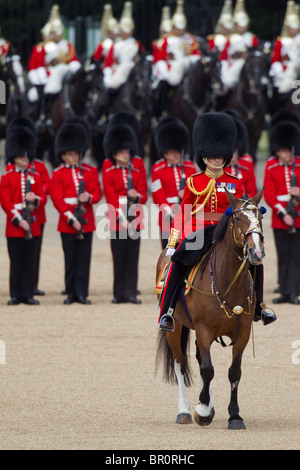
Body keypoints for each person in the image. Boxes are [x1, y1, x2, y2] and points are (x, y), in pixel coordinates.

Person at [158, 112, 277, 331]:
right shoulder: (194, 181)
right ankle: (167, 312)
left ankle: (259, 306)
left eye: (220, 156)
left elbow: (240, 208)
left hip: (225, 231)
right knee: (178, 262)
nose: (217, 159)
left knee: (256, 259)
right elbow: (183, 213)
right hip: (198, 231)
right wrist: (173, 242)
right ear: (203, 155)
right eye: (213, 156)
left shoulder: (234, 182)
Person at [50, 118, 102, 305]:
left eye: (76, 154)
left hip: (86, 220)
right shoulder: (58, 173)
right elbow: (57, 199)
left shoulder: (90, 171)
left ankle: (82, 293)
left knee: (83, 259)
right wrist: (71, 219)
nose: (74, 157)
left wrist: (88, 197)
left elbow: (97, 192)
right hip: (67, 222)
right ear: (63, 156)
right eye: (70, 154)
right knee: (70, 259)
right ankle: (71, 292)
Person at [0, 117, 47, 305]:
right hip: (15, 225)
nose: (23, 159)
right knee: (16, 260)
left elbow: (42, 196)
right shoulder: (7, 178)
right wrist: (19, 220)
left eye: (25, 156)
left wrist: (35, 200)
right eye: (20, 156)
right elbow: (6, 202)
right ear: (14, 157)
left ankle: (28, 294)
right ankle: (15, 294)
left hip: (33, 223)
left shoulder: (35, 176)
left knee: (29, 261)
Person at [102, 121, 148, 304]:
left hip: (134, 215)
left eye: (127, 152)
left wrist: (137, 196)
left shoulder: (137, 165)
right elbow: (110, 196)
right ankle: (119, 291)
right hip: (117, 217)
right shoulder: (109, 168)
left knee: (132, 255)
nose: (125, 155)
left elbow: (144, 191)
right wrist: (122, 220)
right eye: (121, 153)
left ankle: (130, 291)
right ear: (114, 154)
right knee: (119, 254)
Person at [263, 119, 300, 305]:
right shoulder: (271, 166)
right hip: (280, 219)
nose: (284, 153)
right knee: (283, 254)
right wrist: (282, 213)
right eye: (281, 150)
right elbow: (269, 194)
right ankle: (285, 290)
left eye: (287, 150)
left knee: (296, 254)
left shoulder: (299, 164)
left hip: (298, 218)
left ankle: (294, 291)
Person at [28, 5, 81, 127]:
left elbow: (73, 61)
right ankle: (43, 115)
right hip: (48, 75)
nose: (59, 34)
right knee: (44, 92)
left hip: (65, 74)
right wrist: (42, 77)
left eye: (60, 31)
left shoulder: (67, 45)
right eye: (57, 32)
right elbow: (37, 65)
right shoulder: (43, 47)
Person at [151, 116, 197, 249]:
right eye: (172, 153)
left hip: (187, 217)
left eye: (177, 152)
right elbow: (158, 196)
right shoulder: (158, 169)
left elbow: (197, 190)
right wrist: (170, 214)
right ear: (164, 153)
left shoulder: (190, 167)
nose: (175, 156)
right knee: (168, 254)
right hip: (167, 219)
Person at [103, 1, 144, 91]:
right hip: (118, 70)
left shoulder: (136, 44)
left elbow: (142, 58)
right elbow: (108, 62)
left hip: (134, 71)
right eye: (124, 30)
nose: (126, 32)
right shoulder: (115, 45)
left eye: (128, 30)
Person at [220, 0, 259, 90]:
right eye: (240, 25)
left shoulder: (252, 38)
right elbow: (224, 56)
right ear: (235, 25)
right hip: (233, 64)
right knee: (227, 82)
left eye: (244, 25)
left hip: (250, 64)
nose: (242, 27)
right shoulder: (230, 39)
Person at [269, 1, 300, 96]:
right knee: (282, 89)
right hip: (286, 71)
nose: (294, 29)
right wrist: (281, 73)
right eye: (292, 27)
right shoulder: (281, 41)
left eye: (296, 27)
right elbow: (275, 59)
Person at [224, 110, 257, 198]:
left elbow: (252, 190)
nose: (233, 156)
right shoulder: (216, 166)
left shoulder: (246, 163)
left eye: (234, 152)